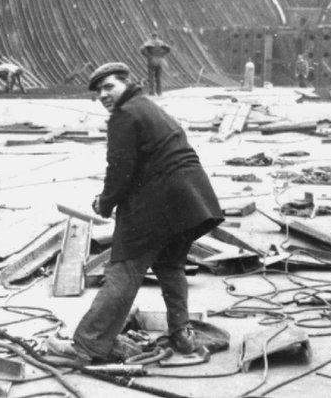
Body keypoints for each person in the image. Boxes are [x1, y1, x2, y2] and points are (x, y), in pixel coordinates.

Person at [47, 62, 223, 364]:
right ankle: (182, 335)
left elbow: (120, 170)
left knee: (124, 270)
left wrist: (104, 203)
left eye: (109, 87)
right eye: (98, 91)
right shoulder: (147, 106)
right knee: (170, 265)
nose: (102, 95)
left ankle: (87, 345)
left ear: (127, 83)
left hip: (159, 200)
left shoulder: (124, 115)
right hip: (190, 201)